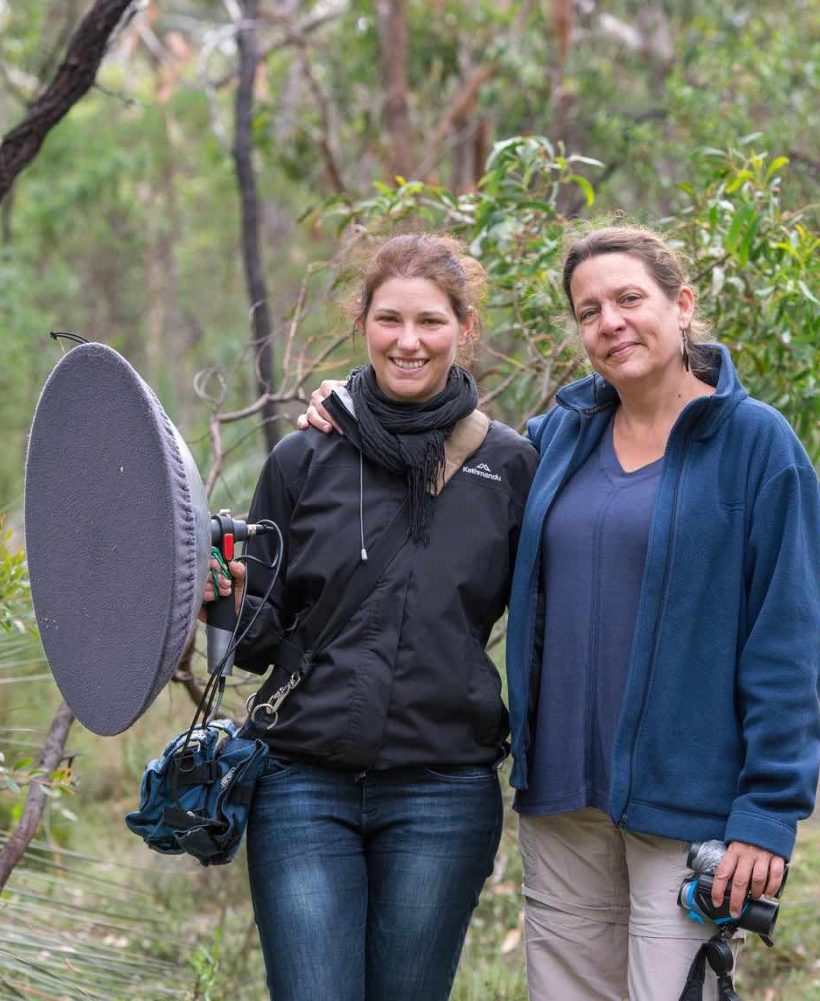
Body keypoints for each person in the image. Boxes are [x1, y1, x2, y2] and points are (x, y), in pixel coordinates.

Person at [300, 225, 820, 1001]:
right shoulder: (556, 441)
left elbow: (788, 638)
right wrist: (343, 409)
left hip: (686, 801)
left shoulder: (756, 445)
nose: (610, 322)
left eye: (628, 299)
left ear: (681, 306)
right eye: (589, 310)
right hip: (562, 797)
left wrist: (768, 812)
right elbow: (432, 464)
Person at [208, 233, 539, 1001]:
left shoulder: (511, 466)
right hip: (302, 783)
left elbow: (549, 624)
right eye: (389, 319)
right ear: (362, 322)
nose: (409, 340)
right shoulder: (304, 459)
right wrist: (215, 597)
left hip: (444, 791)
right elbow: (255, 640)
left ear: (465, 327)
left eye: (430, 321)